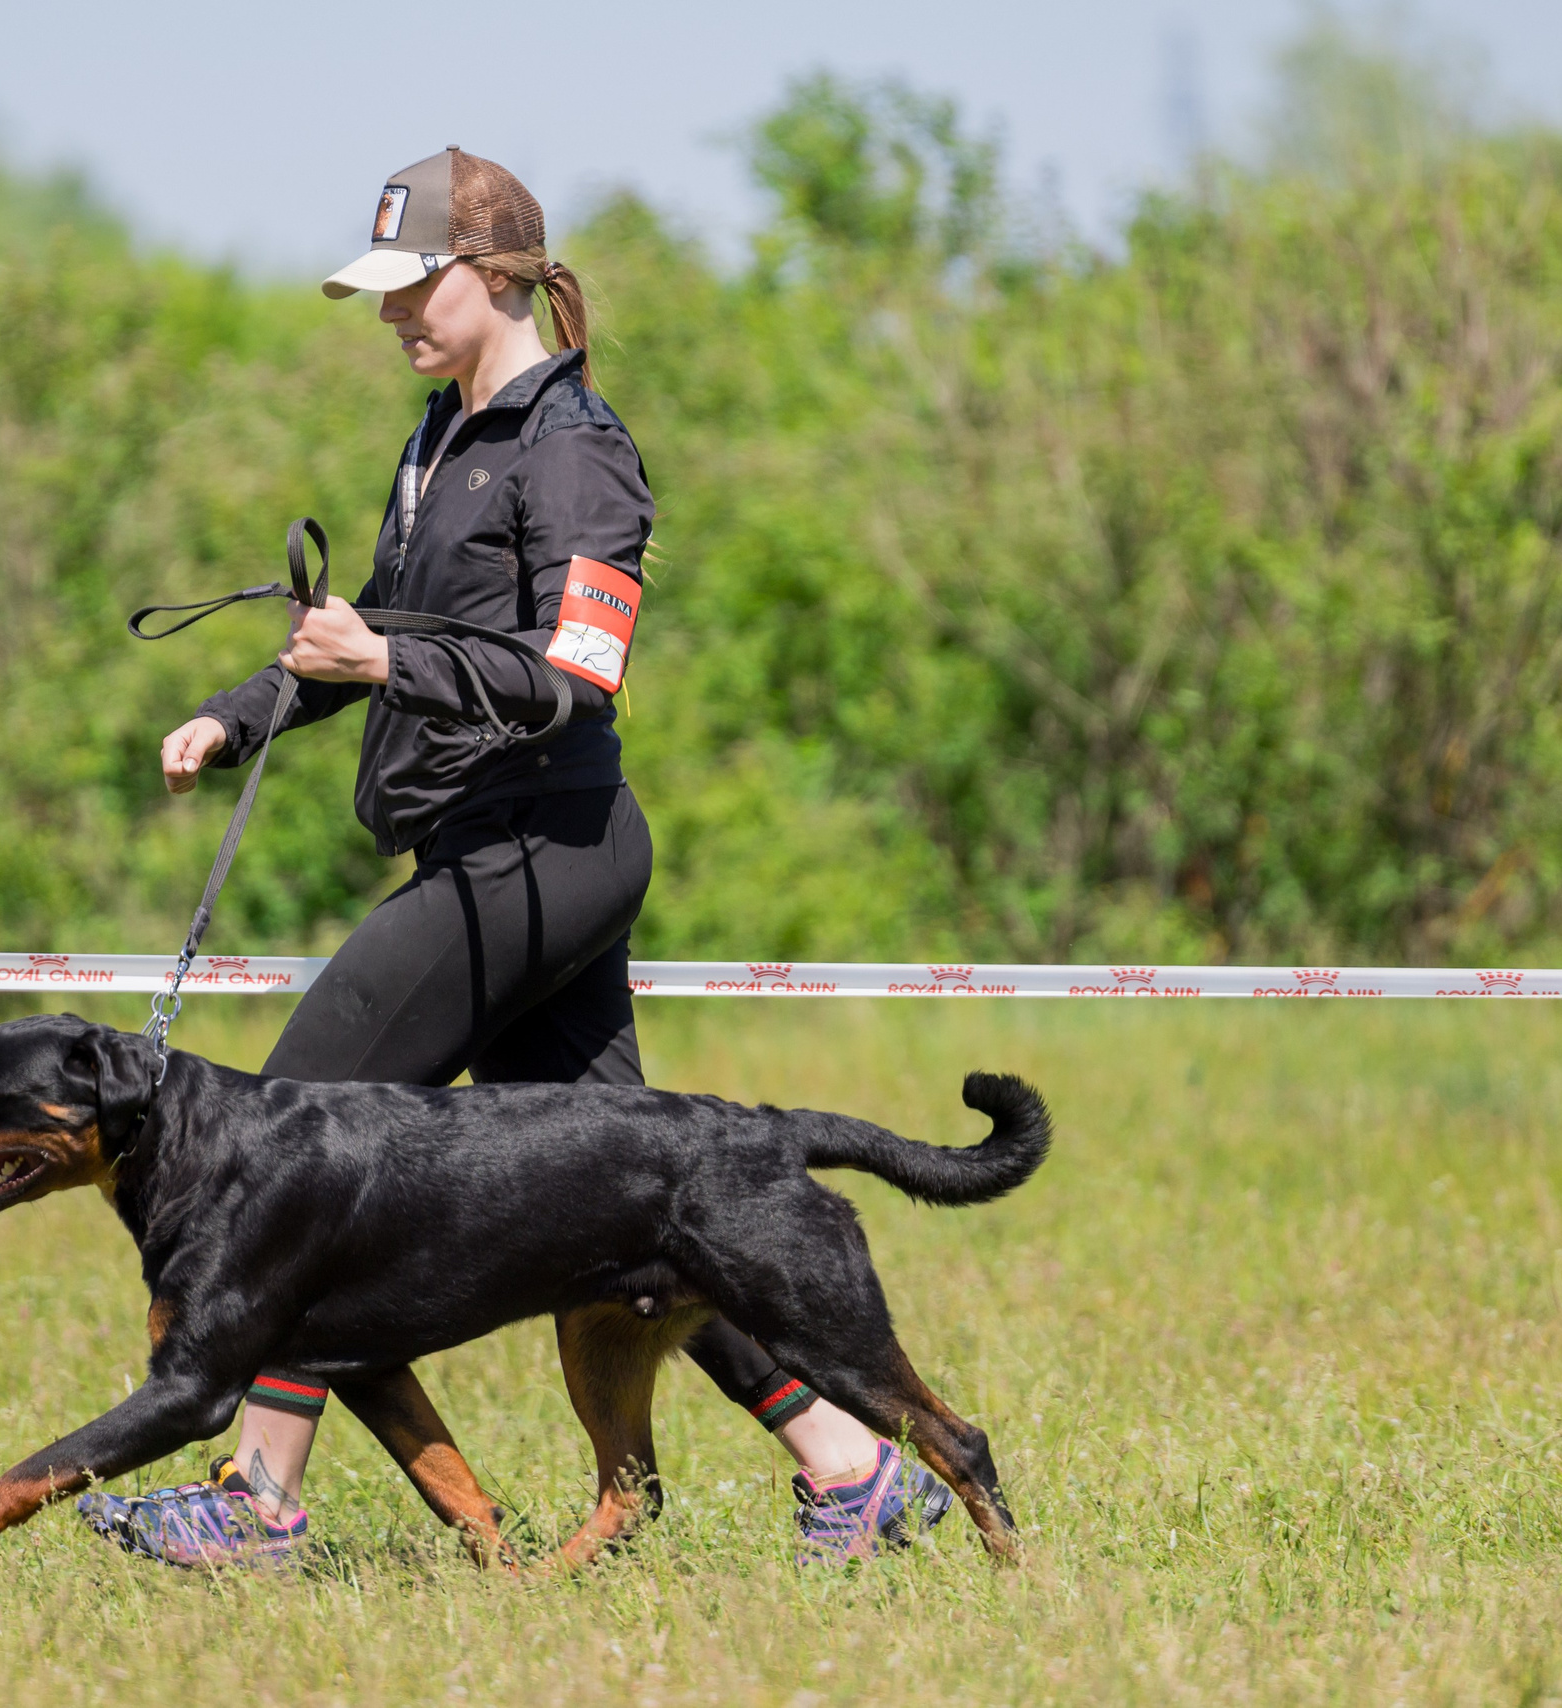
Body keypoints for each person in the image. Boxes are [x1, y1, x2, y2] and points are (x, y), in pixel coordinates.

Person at [78, 147, 951, 1569]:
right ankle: (852, 1473)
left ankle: (255, 1503)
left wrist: (389, 655)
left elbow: (576, 679)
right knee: (647, 1211)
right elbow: (367, 642)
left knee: (295, 1125)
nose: (391, 316)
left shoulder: (578, 450)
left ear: (493, 278)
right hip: (490, 853)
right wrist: (240, 715)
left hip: (547, 850)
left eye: (412, 288)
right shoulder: (437, 443)